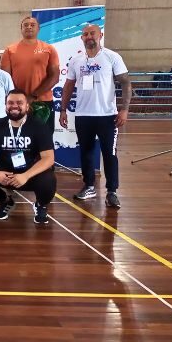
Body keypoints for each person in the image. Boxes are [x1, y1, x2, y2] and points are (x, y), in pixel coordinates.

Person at [60, 24, 131, 208]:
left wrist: (124, 109)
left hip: (107, 116)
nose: (89, 36)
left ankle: (112, 191)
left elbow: (125, 83)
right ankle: (89, 185)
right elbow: (68, 86)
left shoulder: (112, 57)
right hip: (83, 115)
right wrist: (62, 109)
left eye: (92, 33)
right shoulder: (76, 60)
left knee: (109, 153)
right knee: (86, 153)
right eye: (85, 34)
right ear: (82, 38)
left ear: (100, 35)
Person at [0, 89, 56, 224]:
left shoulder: (39, 126)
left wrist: (25, 176)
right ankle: (5, 201)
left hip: (30, 172)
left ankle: (41, 205)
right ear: (5, 105)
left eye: (19, 102)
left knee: (49, 180)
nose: (14, 106)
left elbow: (49, 158)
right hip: (5, 171)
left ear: (27, 106)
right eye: (10, 103)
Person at [1, 16, 60, 137]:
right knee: (19, 137)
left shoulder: (49, 49)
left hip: (43, 103)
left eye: (32, 25)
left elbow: (54, 76)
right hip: (17, 103)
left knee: (44, 138)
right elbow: (5, 79)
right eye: (26, 25)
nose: (29, 27)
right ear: (21, 29)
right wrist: (21, 98)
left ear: (39, 29)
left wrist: (33, 96)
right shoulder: (10, 50)